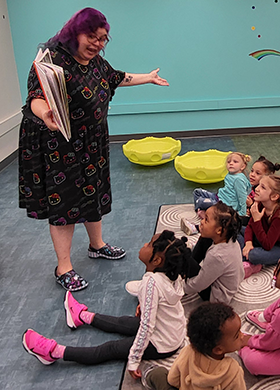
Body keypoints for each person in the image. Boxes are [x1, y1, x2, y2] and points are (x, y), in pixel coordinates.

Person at [18, 7, 169, 291]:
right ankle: (64, 267)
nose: (98, 44)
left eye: (103, 39)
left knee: (93, 192)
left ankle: (97, 245)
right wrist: (45, 114)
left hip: (93, 141)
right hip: (60, 145)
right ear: (75, 32)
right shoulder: (51, 61)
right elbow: (36, 97)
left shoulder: (97, 62)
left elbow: (117, 77)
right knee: (65, 202)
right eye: (92, 37)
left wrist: (147, 77)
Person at [21, 231, 199, 380]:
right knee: (124, 322)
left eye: (149, 245)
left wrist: (134, 361)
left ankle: (54, 352)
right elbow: (167, 304)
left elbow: (147, 327)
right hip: (173, 332)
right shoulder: (172, 274)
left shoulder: (151, 282)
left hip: (161, 344)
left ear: (157, 261)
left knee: (110, 348)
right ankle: (82, 316)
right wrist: (146, 306)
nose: (145, 244)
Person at [144, 302, 249, 390]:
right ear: (218, 349)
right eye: (237, 335)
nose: (242, 335)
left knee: (159, 374)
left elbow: (172, 380)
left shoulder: (188, 351)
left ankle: (148, 375)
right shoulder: (233, 370)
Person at [182, 204, 244, 304]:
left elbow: (199, 284)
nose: (201, 222)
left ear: (219, 230)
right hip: (230, 283)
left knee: (185, 255)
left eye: (206, 220)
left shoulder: (217, 256)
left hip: (217, 296)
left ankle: (183, 272)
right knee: (204, 239)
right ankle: (185, 271)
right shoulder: (232, 240)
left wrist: (180, 289)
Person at [242, 175, 280, 277]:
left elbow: (267, 244)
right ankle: (244, 253)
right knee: (234, 229)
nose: (257, 189)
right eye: (259, 185)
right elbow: (250, 226)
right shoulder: (260, 204)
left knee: (254, 255)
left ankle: (251, 263)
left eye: (263, 187)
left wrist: (257, 220)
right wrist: (248, 243)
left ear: (274, 196)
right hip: (264, 236)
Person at [188, 152, 252, 227]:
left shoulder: (239, 180)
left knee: (201, 202)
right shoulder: (231, 174)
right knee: (197, 192)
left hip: (225, 205)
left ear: (242, 166)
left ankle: (206, 215)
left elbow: (242, 197)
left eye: (235, 162)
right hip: (218, 197)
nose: (231, 163)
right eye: (229, 162)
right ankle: (200, 210)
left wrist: (242, 213)